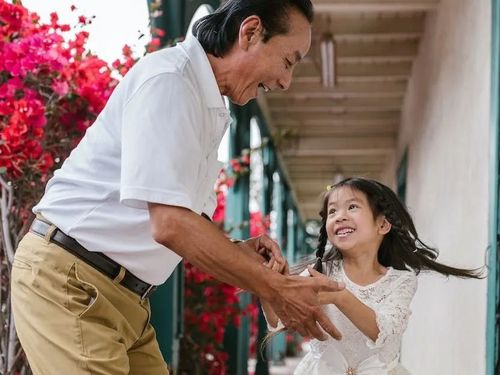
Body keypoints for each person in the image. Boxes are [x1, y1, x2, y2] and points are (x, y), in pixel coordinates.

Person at [10, 1, 346, 374]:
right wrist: (274, 288)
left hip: (124, 297)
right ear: (249, 33)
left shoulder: (207, 104)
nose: (286, 82)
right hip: (71, 281)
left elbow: (179, 222)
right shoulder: (169, 80)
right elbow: (169, 223)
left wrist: (239, 252)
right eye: (288, 61)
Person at [261, 177, 483, 374]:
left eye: (352, 207)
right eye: (332, 211)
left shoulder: (400, 281)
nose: (340, 217)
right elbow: (279, 321)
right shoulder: (321, 272)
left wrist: (340, 296)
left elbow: (383, 332)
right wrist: (268, 285)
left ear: (383, 224)